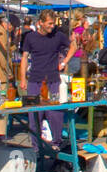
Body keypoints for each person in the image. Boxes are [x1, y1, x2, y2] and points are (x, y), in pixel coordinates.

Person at [19, 10, 70, 151]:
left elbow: (73, 46)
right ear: (40, 23)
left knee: (55, 114)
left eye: (53, 23)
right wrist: (23, 78)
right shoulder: (30, 37)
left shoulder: (58, 36)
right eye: (49, 23)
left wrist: (64, 62)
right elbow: (24, 57)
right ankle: (36, 147)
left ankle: (57, 143)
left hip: (53, 80)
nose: (52, 26)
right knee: (35, 116)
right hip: (35, 80)